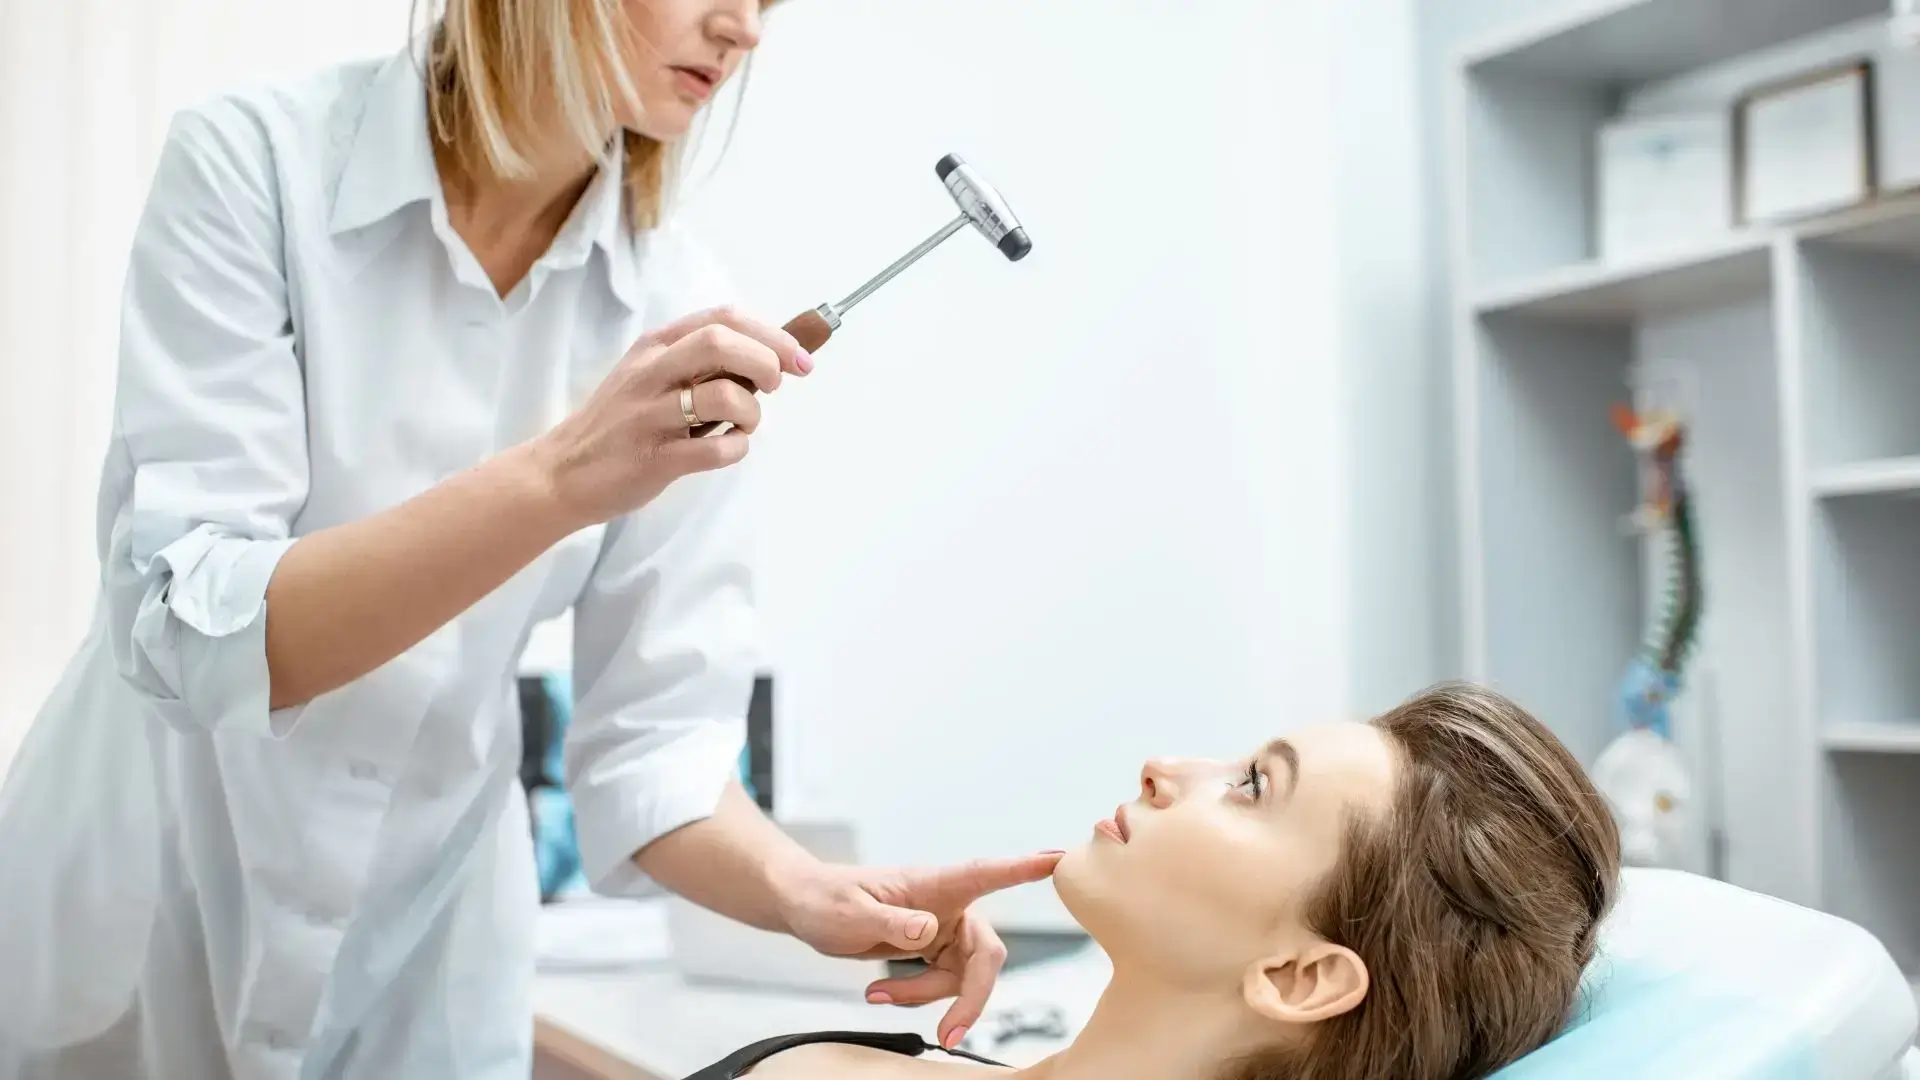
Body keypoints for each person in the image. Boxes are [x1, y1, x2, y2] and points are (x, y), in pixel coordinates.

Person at [0, 3, 1058, 1078]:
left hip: (420, 968)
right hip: (141, 922)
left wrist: (806, 892)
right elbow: (195, 631)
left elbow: (655, 748)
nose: (741, 28)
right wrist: (559, 481)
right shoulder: (255, 164)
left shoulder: (677, 306)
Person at [684, 682, 1624, 1080]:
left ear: (1300, 976)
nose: (1165, 768)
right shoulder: (884, 1055)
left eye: (1252, 786)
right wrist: (799, 894)